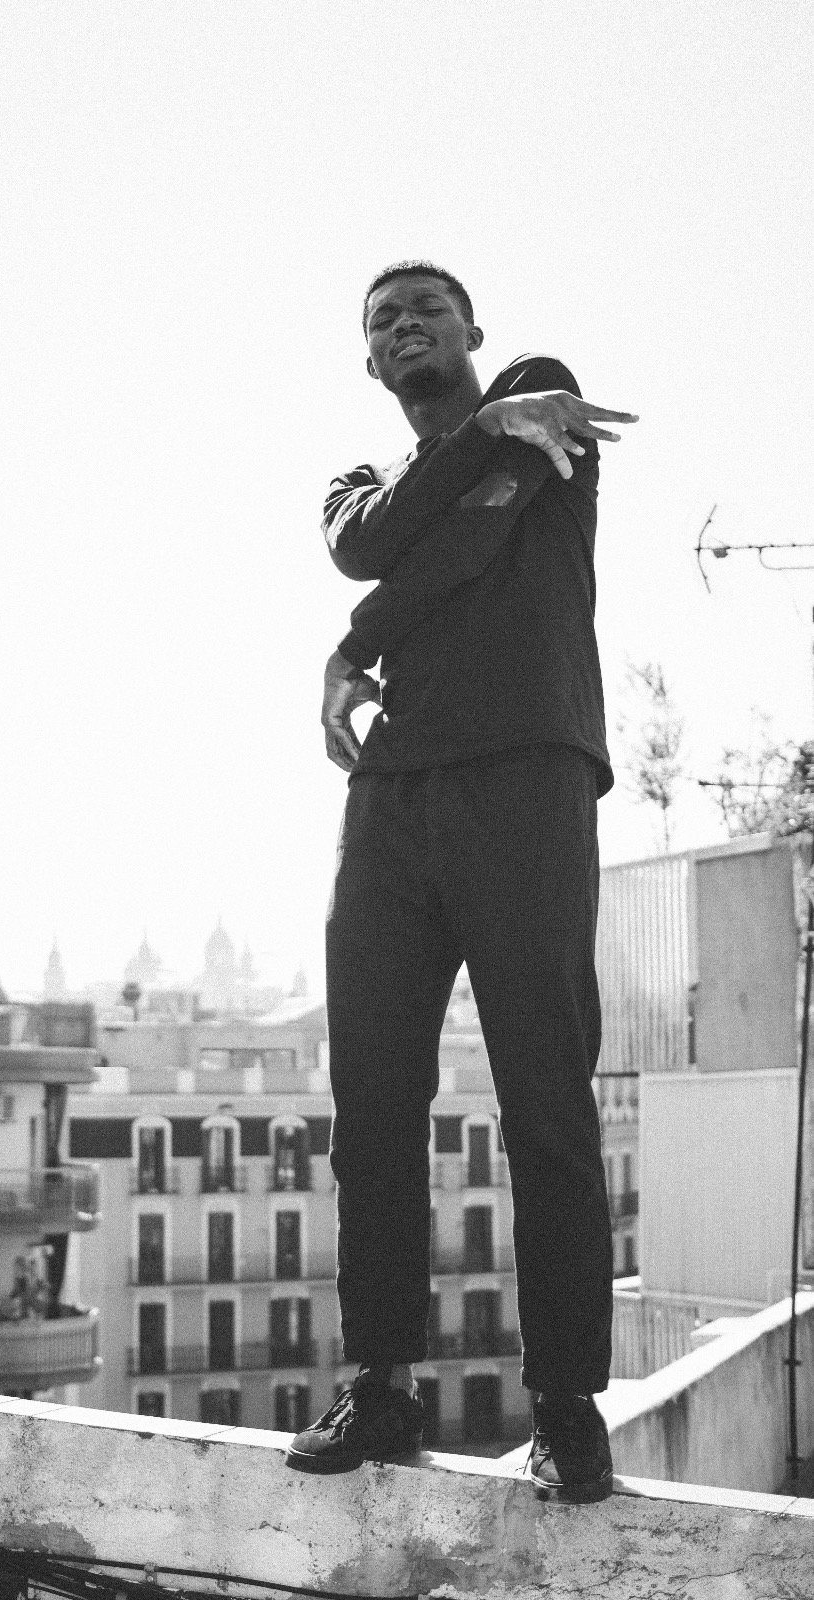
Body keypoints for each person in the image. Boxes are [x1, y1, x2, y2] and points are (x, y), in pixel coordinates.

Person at [284, 261, 637, 1502]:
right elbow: (367, 543)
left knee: (546, 1095)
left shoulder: (539, 394)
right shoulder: (357, 483)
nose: (407, 324)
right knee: (371, 1104)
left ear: (472, 333)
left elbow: (473, 545)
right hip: (389, 802)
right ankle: (379, 1384)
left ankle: (565, 1405)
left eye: (428, 308)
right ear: (370, 361)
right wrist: (470, 462)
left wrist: (352, 645)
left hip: (526, 777)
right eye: (383, 319)